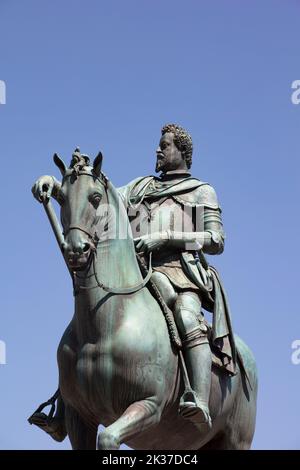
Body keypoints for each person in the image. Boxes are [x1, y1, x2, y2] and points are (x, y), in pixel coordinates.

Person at [30, 124, 235, 440]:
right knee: (87, 322)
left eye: (164, 146)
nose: (158, 150)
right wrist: (56, 186)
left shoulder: (201, 191)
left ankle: (198, 397)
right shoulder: (141, 187)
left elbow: (216, 240)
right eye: (158, 145)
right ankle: (66, 403)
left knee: (186, 315)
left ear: (182, 152)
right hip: (137, 273)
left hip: (180, 276)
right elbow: (97, 195)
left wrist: (166, 238)